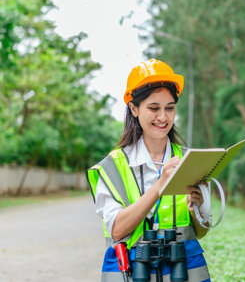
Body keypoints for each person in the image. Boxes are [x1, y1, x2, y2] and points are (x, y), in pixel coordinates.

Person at [86, 59, 211, 282]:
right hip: (133, 269)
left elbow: (201, 231)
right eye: (153, 108)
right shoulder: (112, 167)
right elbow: (117, 231)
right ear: (134, 109)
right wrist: (158, 187)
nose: (163, 117)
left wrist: (198, 207)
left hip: (184, 267)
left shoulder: (190, 160)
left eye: (169, 108)